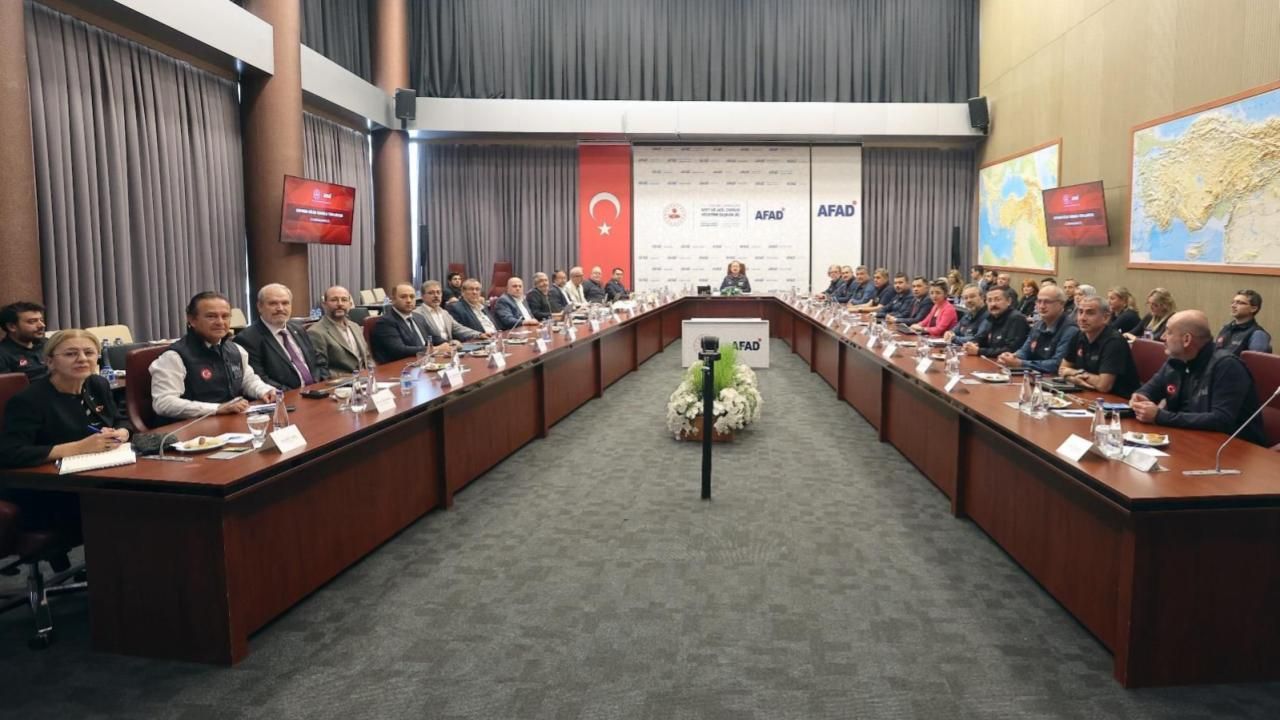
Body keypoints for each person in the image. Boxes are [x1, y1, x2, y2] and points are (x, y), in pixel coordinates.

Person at [1131, 310, 1265, 445]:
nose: (1162, 337)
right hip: (1187, 438)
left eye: (1169, 332)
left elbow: (1221, 420)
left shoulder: (1227, 366)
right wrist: (1140, 398)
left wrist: (1160, 416)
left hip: (1233, 447)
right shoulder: (1176, 360)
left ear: (1187, 340)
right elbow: (1149, 390)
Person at [150, 291, 278, 422]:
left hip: (232, 421)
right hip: (192, 426)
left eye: (225, 316)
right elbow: (163, 403)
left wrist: (264, 391)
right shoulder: (174, 356)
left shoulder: (236, 350)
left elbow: (248, 381)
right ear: (192, 320)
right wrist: (216, 409)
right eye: (211, 316)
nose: (220, 322)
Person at [232, 283, 330, 391]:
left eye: (285, 303)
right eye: (273, 303)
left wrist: (321, 385)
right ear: (260, 307)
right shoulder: (247, 339)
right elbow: (260, 380)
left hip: (318, 391)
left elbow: (318, 361)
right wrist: (297, 394)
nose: (280, 308)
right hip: (287, 397)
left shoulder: (298, 328)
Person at [1057, 295, 1140, 396]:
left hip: (1117, 399)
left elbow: (1103, 386)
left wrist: (1074, 373)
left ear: (1105, 317)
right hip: (1088, 392)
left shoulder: (1114, 341)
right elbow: (1062, 370)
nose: (1082, 318)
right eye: (1080, 312)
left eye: (1090, 313)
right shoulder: (1078, 335)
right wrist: (1074, 379)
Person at [998, 285, 1079, 374]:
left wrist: (1021, 363)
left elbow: (1057, 364)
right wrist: (1012, 356)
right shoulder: (1038, 325)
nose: (1042, 306)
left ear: (1061, 304)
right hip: (1033, 376)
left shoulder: (1070, 330)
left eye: (1047, 302)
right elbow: (1025, 351)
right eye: (1039, 301)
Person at [370, 283, 444, 364]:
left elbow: (435, 338)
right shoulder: (386, 322)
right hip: (400, 367)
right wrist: (433, 349)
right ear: (393, 300)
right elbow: (399, 350)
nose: (409, 300)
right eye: (403, 297)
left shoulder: (419, 317)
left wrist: (449, 344)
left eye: (412, 297)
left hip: (425, 363)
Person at [307, 285, 373, 374]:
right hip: (341, 381)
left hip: (366, 378)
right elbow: (321, 371)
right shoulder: (315, 332)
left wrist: (372, 374)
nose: (340, 304)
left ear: (350, 304)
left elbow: (367, 357)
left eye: (344, 300)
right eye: (334, 300)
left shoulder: (355, 326)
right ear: (324, 304)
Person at [963, 286, 1029, 358]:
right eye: (989, 300)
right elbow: (980, 338)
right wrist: (970, 345)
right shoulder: (991, 317)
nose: (993, 304)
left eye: (997, 300)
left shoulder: (1016, 318)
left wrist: (979, 351)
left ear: (1009, 301)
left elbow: (1010, 350)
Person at [414, 280, 486, 343]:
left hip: (450, 349)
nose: (436, 296)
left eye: (438, 292)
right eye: (431, 293)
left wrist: (479, 334)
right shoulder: (417, 314)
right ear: (422, 296)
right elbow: (427, 337)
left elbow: (458, 328)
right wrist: (449, 343)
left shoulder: (444, 312)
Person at [0, 300, 49, 379]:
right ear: (12, 327)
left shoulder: (48, 344)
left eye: (41, 320)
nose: (42, 325)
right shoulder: (3, 355)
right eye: (32, 321)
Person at [1216, 289, 1272, 355]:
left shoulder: (1258, 334)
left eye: (1239, 303)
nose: (1233, 306)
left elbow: (1256, 361)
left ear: (1253, 309)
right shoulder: (1226, 328)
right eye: (1233, 302)